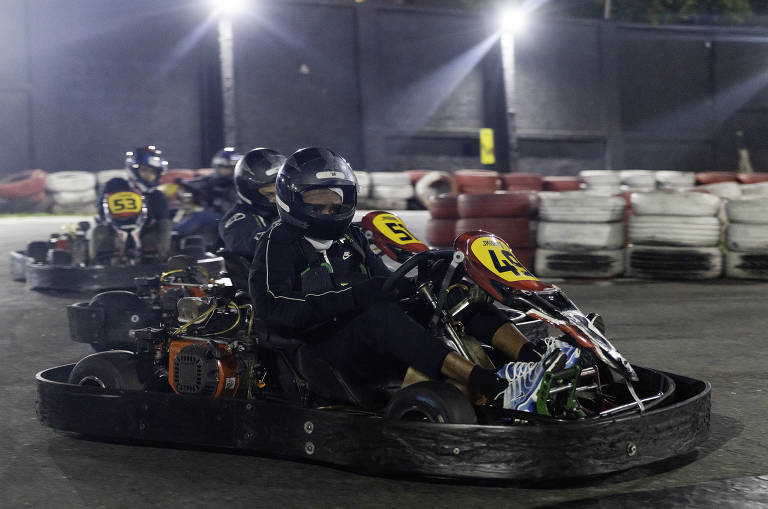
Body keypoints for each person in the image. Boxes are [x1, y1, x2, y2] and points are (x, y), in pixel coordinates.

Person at [249, 147, 578, 411]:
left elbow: (382, 286)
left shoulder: (351, 237)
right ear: (293, 199)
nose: (328, 209)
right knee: (380, 315)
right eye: (316, 202)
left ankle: (538, 365)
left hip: (364, 336)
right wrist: (352, 296)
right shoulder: (277, 243)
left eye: (335, 201)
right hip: (320, 349)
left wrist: (423, 282)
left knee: (454, 294)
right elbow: (272, 309)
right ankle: (492, 385)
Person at [91, 146, 172, 264]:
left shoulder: (157, 196)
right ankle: (93, 266)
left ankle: (162, 261)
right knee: (98, 231)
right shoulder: (115, 184)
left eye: (153, 172)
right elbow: (101, 209)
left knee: (165, 225)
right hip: (114, 230)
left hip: (145, 232)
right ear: (134, 169)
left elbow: (163, 218)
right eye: (145, 170)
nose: (148, 175)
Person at [218, 147, 285, 260]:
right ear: (250, 191)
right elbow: (257, 245)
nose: (278, 198)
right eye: (270, 193)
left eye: (282, 190)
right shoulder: (236, 220)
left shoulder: (297, 208)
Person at [173, 147, 243, 245]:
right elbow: (201, 182)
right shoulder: (217, 180)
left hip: (231, 219)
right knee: (177, 211)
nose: (221, 170)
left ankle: (175, 235)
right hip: (218, 215)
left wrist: (214, 199)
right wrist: (184, 183)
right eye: (220, 167)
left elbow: (230, 207)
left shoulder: (238, 184)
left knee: (199, 216)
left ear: (234, 167)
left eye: (225, 167)